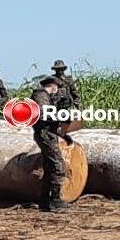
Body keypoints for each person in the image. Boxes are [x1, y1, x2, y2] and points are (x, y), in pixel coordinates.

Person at [31, 76, 71, 212]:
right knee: (58, 166)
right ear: (53, 86)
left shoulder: (44, 97)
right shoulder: (40, 96)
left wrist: (63, 134)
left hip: (48, 134)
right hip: (45, 135)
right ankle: (55, 199)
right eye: (57, 88)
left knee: (49, 166)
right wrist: (61, 115)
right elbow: (44, 115)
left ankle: (45, 199)